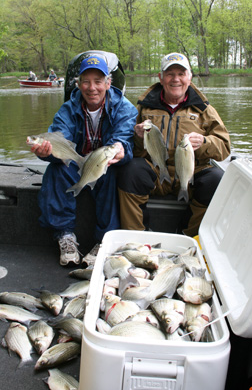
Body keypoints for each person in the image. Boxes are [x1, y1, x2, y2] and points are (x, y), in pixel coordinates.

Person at [30, 55, 138, 266]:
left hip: (103, 163)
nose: (92, 88)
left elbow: (124, 138)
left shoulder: (125, 108)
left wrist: (120, 148)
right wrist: (46, 153)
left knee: (111, 172)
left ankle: (104, 241)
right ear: (78, 84)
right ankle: (65, 236)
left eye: (98, 81)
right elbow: (60, 141)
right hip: (77, 164)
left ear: (108, 83)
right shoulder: (68, 109)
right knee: (55, 170)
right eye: (86, 81)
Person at [117, 52, 231, 237]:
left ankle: (191, 236)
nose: (175, 79)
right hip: (155, 172)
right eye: (170, 74)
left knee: (216, 179)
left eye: (181, 73)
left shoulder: (204, 110)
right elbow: (129, 147)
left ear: (189, 77)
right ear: (161, 78)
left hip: (189, 173)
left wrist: (204, 142)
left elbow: (224, 147)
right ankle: (136, 237)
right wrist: (138, 137)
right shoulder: (143, 107)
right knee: (130, 171)